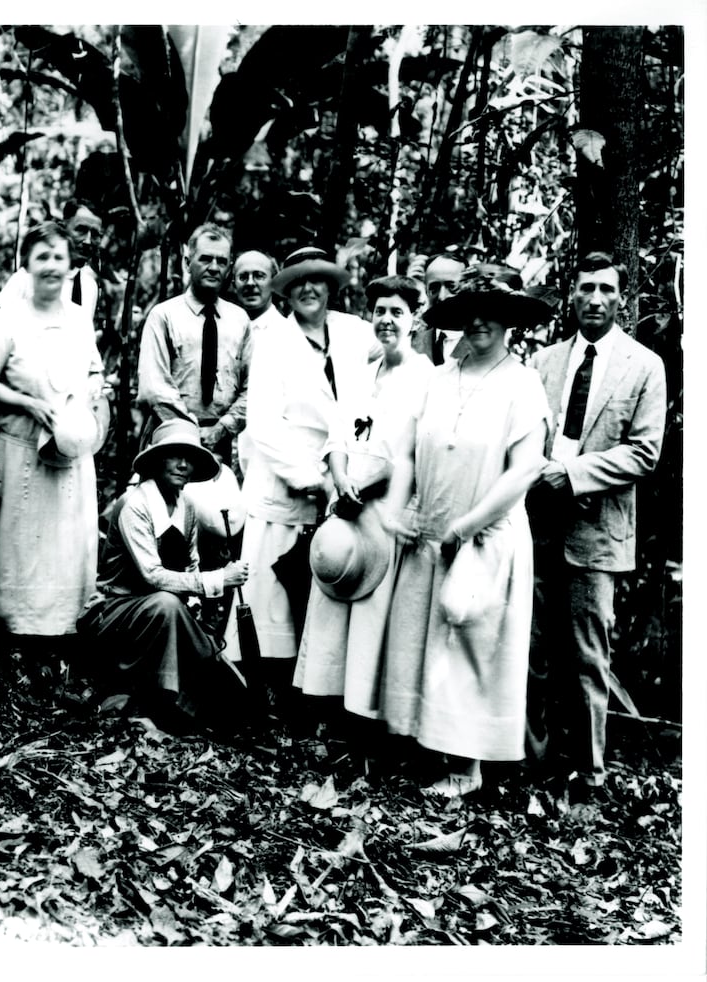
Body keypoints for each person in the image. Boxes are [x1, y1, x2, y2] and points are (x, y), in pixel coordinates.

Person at [379, 263, 551, 796]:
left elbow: (526, 468)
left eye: (491, 314)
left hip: (486, 536)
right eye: (469, 314)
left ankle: (467, 769)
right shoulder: (437, 379)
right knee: (426, 641)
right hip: (431, 529)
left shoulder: (522, 383)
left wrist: (468, 525)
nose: (479, 323)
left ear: (508, 321)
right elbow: (406, 452)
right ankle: (426, 749)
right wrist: (393, 508)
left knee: (474, 645)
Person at [525, 252, 667, 796]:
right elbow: (526, 436)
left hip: (597, 533)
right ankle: (530, 761)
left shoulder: (644, 366)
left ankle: (590, 773)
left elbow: (645, 453)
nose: (595, 299)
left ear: (621, 300)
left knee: (588, 656)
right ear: (572, 295)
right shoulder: (543, 363)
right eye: (586, 288)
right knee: (531, 651)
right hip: (538, 528)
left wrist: (572, 474)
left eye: (607, 290)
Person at [220, 246, 376, 703]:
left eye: (319, 280)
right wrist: (315, 478)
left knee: (327, 592)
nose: (309, 289)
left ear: (331, 286)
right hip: (285, 484)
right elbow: (263, 427)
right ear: (285, 291)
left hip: (345, 481)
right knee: (272, 601)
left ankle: (318, 698)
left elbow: (394, 359)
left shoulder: (354, 333)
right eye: (298, 282)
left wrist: (348, 469)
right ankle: (263, 699)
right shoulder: (272, 341)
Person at [292, 275, 434, 722]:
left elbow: (413, 454)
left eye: (397, 312)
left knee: (374, 616)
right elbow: (337, 436)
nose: (386, 320)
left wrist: (365, 489)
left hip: (387, 511)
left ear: (414, 320)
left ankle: (365, 721)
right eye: (380, 311)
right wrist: (341, 481)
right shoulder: (362, 372)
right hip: (346, 507)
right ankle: (329, 715)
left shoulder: (425, 377)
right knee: (336, 604)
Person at [0, 222, 104, 642]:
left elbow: (96, 370)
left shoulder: (80, 319)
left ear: (70, 265)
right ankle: (14, 627)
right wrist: (26, 403)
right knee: (19, 541)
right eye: (42, 257)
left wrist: (85, 399)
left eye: (58, 257)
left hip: (68, 449)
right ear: (26, 264)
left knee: (63, 540)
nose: (51, 266)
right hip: (20, 448)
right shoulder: (9, 319)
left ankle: (61, 626)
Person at [77, 419, 249, 731]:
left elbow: (190, 566)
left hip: (164, 615)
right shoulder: (134, 504)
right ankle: (166, 703)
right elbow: (153, 576)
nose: (183, 465)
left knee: (230, 691)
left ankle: (200, 697)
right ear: (157, 459)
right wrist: (218, 579)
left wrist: (197, 609)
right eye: (174, 456)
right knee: (167, 605)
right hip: (115, 614)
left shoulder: (189, 508)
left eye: (190, 459)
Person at [137, 223, 250, 465]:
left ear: (230, 266)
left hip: (220, 441)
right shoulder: (163, 315)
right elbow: (153, 387)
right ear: (188, 262)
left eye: (221, 261)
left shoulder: (240, 320)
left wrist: (221, 429)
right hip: (169, 438)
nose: (213, 267)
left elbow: (253, 387)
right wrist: (189, 433)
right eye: (205, 259)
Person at [231, 250, 288, 475]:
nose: (251, 283)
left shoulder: (288, 335)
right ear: (233, 283)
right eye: (243, 277)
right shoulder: (223, 331)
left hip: (267, 461)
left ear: (273, 282)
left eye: (259, 276)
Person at [0, 199, 102, 312]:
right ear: (63, 229)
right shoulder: (29, 277)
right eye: (81, 230)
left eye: (95, 235)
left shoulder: (89, 287)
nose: (88, 241)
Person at [411, 253, 468, 365]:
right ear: (426, 291)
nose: (442, 297)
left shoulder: (493, 342)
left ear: (468, 287)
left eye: (452, 286)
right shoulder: (412, 342)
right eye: (434, 288)